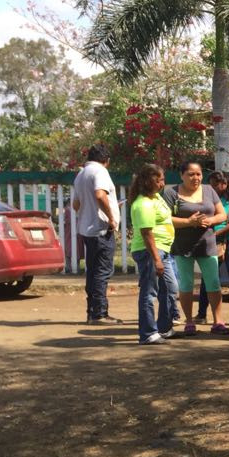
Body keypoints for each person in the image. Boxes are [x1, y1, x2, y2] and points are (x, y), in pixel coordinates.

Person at [162, 160, 229, 335]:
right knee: (186, 284)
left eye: (198, 174)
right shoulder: (171, 193)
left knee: (213, 283)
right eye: (191, 174)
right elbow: (165, 218)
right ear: (181, 175)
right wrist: (188, 222)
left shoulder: (209, 190)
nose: (195, 178)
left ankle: (218, 321)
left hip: (207, 244)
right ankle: (189, 322)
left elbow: (222, 214)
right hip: (182, 246)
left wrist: (210, 221)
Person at [71, 144, 122, 324]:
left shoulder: (81, 175)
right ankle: (100, 313)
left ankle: (91, 311)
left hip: (87, 229)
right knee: (102, 272)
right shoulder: (100, 171)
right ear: (106, 161)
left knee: (92, 271)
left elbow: (76, 205)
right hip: (101, 229)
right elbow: (100, 195)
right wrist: (110, 217)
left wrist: (93, 210)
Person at [129, 164, 177, 345]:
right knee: (149, 292)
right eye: (158, 180)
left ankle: (164, 327)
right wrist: (156, 259)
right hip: (150, 252)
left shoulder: (156, 198)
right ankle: (148, 333)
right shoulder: (143, 204)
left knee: (170, 289)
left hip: (163, 251)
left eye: (163, 179)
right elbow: (147, 233)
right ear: (147, 181)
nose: (162, 183)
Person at [194, 171, 229, 325]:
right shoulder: (206, 198)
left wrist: (217, 232)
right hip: (212, 241)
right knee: (208, 278)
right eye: (212, 184)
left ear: (225, 184)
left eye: (217, 184)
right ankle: (202, 314)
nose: (214, 187)